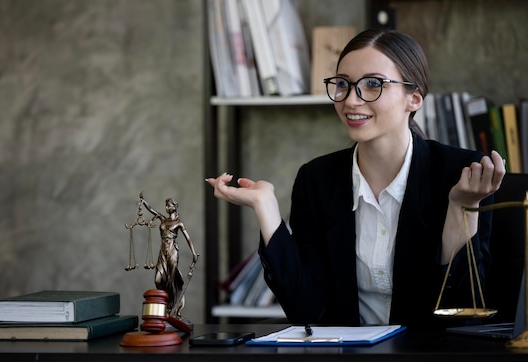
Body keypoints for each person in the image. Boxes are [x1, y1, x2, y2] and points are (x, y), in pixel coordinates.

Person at [206, 28, 506, 331]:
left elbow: (465, 310)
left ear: (414, 98)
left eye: (373, 84)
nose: (350, 100)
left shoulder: (461, 174)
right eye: (342, 84)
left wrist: (461, 208)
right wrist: (266, 207)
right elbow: (306, 311)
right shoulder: (316, 179)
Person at [141, 196, 199, 319]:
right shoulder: (163, 219)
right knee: (158, 279)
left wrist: (194, 253)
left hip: (173, 250)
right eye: (166, 205)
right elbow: (152, 210)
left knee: (170, 280)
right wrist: (144, 202)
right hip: (163, 251)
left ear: (175, 206)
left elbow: (187, 238)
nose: (167, 208)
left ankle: (171, 306)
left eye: (169, 205)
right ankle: (166, 300)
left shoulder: (178, 223)